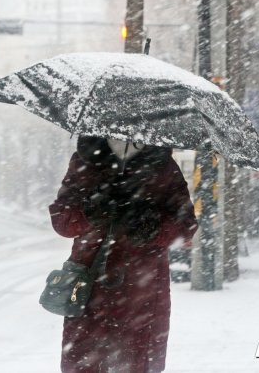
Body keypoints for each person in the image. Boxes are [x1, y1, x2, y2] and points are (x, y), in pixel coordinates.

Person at [49, 136, 198, 373]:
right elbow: (62, 222)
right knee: (84, 362)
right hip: (90, 282)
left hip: (142, 289)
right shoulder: (85, 159)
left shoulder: (162, 165)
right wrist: (91, 210)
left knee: (135, 362)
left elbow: (186, 226)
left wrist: (152, 226)